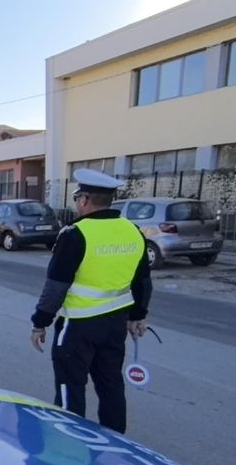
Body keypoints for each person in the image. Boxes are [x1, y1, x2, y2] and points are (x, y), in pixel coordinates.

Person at [30, 169, 153, 434]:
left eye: (77, 198)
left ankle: (69, 441)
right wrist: (138, 316)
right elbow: (143, 280)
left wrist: (40, 322)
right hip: (115, 325)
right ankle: (116, 441)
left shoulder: (75, 234)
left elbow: (55, 288)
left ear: (85, 199)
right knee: (111, 385)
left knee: (70, 387)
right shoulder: (132, 231)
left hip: (78, 325)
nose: (76, 203)